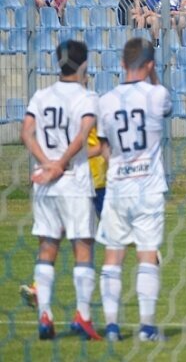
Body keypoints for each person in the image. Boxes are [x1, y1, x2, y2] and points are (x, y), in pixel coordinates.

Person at [20, 39, 102, 341]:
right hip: (74, 183)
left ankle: (45, 314)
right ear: (83, 65)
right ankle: (83, 315)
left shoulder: (41, 95)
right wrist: (60, 164)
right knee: (83, 247)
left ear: (58, 62)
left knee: (47, 247)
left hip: (46, 184)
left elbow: (25, 132)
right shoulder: (87, 96)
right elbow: (84, 134)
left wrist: (46, 164)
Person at [96, 37, 172, 342]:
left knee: (113, 259)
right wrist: (153, 76)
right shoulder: (157, 95)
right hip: (149, 188)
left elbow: (103, 146)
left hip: (117, 187)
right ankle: (147, 328)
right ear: (150, 65)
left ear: (122, 64)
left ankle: (112, 327)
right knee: (147, 256)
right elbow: (165, 104)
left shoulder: (106, 100)